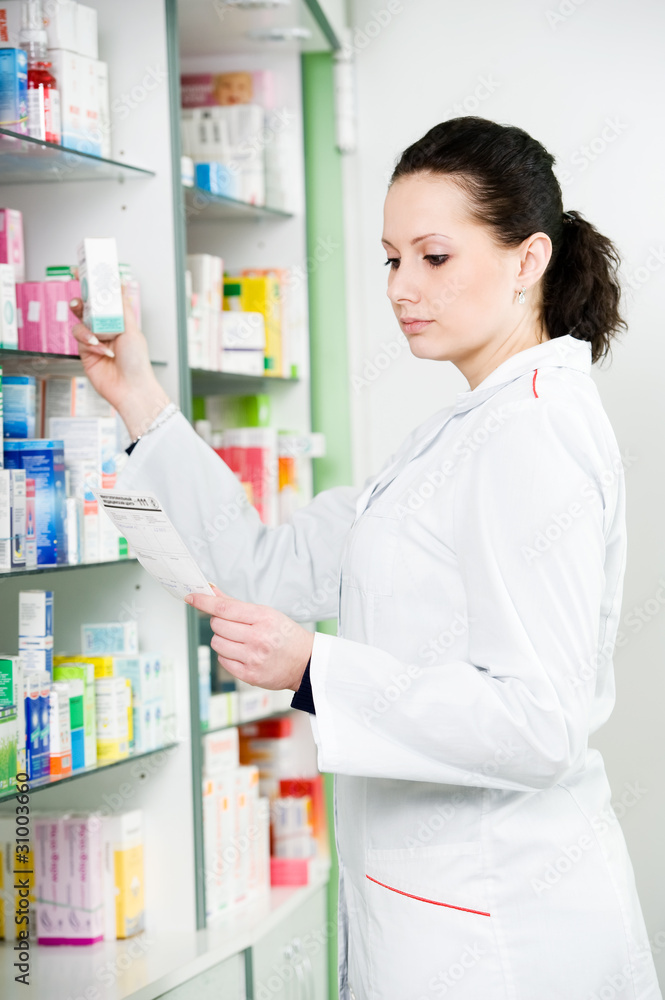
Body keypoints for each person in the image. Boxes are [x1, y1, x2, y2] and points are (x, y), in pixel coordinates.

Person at [70, 117, 661, 999]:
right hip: (435, 906)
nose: (401, 287)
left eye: (433, 257)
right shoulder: (458, 431)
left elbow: (539, 723)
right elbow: (266, 566)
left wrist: (313, 668)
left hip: (503, 932)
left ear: (529, 259)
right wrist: (143, 401)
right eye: (391, 259)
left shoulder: (534, 432)